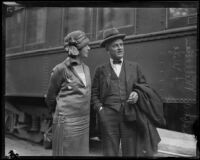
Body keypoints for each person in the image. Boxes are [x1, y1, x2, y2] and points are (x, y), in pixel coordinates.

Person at [91, 28, 166, 157]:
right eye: (115, 45)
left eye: (121, 44)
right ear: (108, 49)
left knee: (131, 153)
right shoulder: (100, 70)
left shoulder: (134, 67)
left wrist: (137, 93)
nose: (120, 48)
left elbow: (144, 86)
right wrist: (101, 109)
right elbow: (94, 93)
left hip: (130, 115)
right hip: (108, 117)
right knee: (109, 153)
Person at [45, 30, 91, 156]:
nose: (89, 48)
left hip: (83, 122)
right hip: (66, 124)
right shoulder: (60, 69)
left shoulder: (86, 69)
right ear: (77, 48)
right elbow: (50, 97)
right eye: (86, 45)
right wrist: (60, 115)